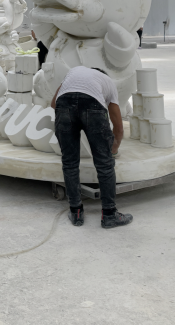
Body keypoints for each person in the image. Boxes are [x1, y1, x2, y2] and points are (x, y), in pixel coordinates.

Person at [51, 66, 133, 229]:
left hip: (64, 104)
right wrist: (113, 148)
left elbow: (54, 104)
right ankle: (109, 215)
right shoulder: (108, 82)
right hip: (93, 106)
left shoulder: (74, 72)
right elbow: (118, 127)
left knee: (69, 162)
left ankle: (76, 212)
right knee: (104, 164)